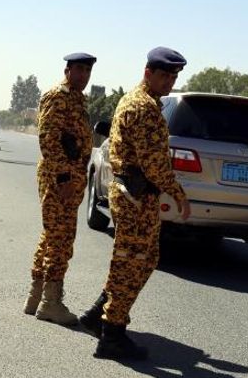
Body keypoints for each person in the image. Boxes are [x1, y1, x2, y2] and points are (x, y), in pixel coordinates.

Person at [79, 47, 191, 360]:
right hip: (136, 196)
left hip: (135, 194)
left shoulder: (137, 100)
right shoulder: (144, 108)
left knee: (140, 258)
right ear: (148, 73)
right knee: (132, 262)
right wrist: (178, 193)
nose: (169, 81)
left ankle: (97, 314)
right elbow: (154, 163)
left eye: (174, 76)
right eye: (164, 75)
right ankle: (111, 335)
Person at [23, 52, 97, 326]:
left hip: (70, 177)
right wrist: (64, 178)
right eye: (79, 70)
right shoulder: (57, 96)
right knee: (61, 239)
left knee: (52, 236)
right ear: (67, 70)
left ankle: (36, 297)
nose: (84, 76)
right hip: (60, 179)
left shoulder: (77, 99)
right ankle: (51, 303)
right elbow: (48, 138)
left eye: (87, 71)